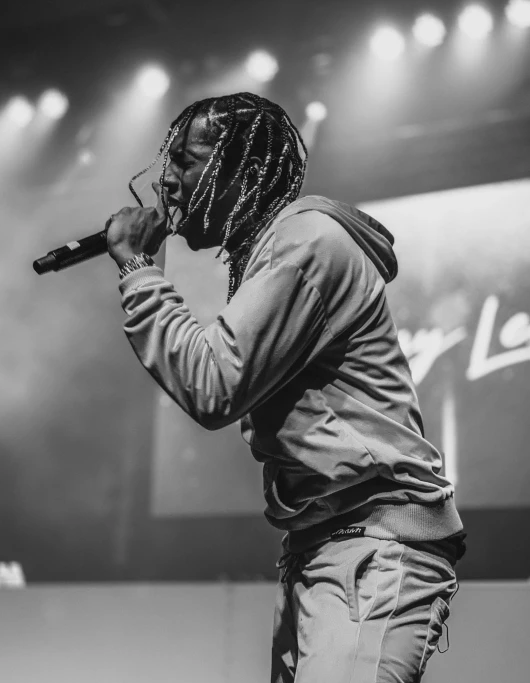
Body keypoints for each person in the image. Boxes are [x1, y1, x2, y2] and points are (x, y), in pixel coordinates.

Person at [105, 92, 466, 683]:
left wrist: (136, 271)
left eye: (184, 162)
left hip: (372, 548)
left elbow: (213, 384)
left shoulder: (305, 243)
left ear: (241, 171)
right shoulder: (275, 249)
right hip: (327, 548)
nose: (165, 182)